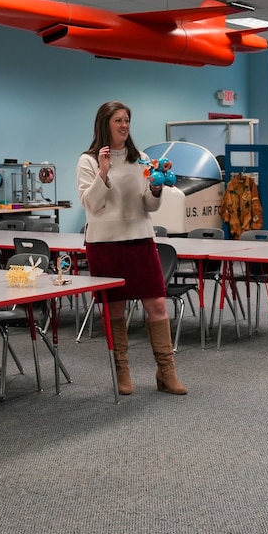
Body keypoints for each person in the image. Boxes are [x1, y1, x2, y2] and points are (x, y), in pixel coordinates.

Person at [77, 100, 187, 396]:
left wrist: (156, 187)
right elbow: (91, 205)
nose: (124, 125)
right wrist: (103, 173)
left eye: (127, 120)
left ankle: (166, 372)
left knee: (157, 304)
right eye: (118, 120)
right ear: (104, 124)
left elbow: (149, 205)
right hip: (104, 244)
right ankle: (122, 370)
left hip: (140, 239)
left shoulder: (141, 160)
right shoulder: (88, 161)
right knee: (115, 307)